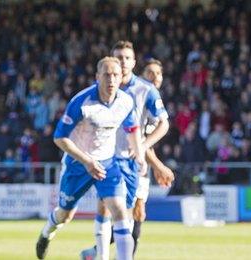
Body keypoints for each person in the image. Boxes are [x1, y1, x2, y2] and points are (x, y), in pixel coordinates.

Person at [35, 57, 146, 260]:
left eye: (115, 75)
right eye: (106, 75)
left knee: (120, 211)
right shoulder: (82, 102)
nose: (111, 80)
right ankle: (47, 232)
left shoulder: (125, 101)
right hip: (78, 164)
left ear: (122, 78)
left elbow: (132, 128)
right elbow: (59, 138)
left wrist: (139, 152)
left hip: (107, 163)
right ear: (97, 77)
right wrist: (87, 161)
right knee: (65, 215)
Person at [81, 44, 174, 260]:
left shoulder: (146, 90)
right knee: (105, 207)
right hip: (106, 158)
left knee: (133, 213)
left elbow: (163, 124)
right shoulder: (100, 89)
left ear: (134, 62)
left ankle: (109, 255)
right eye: (118, 58)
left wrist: (142, 147)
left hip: (133, 162)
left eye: (126, 58)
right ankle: (100, 255)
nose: (122, 62)